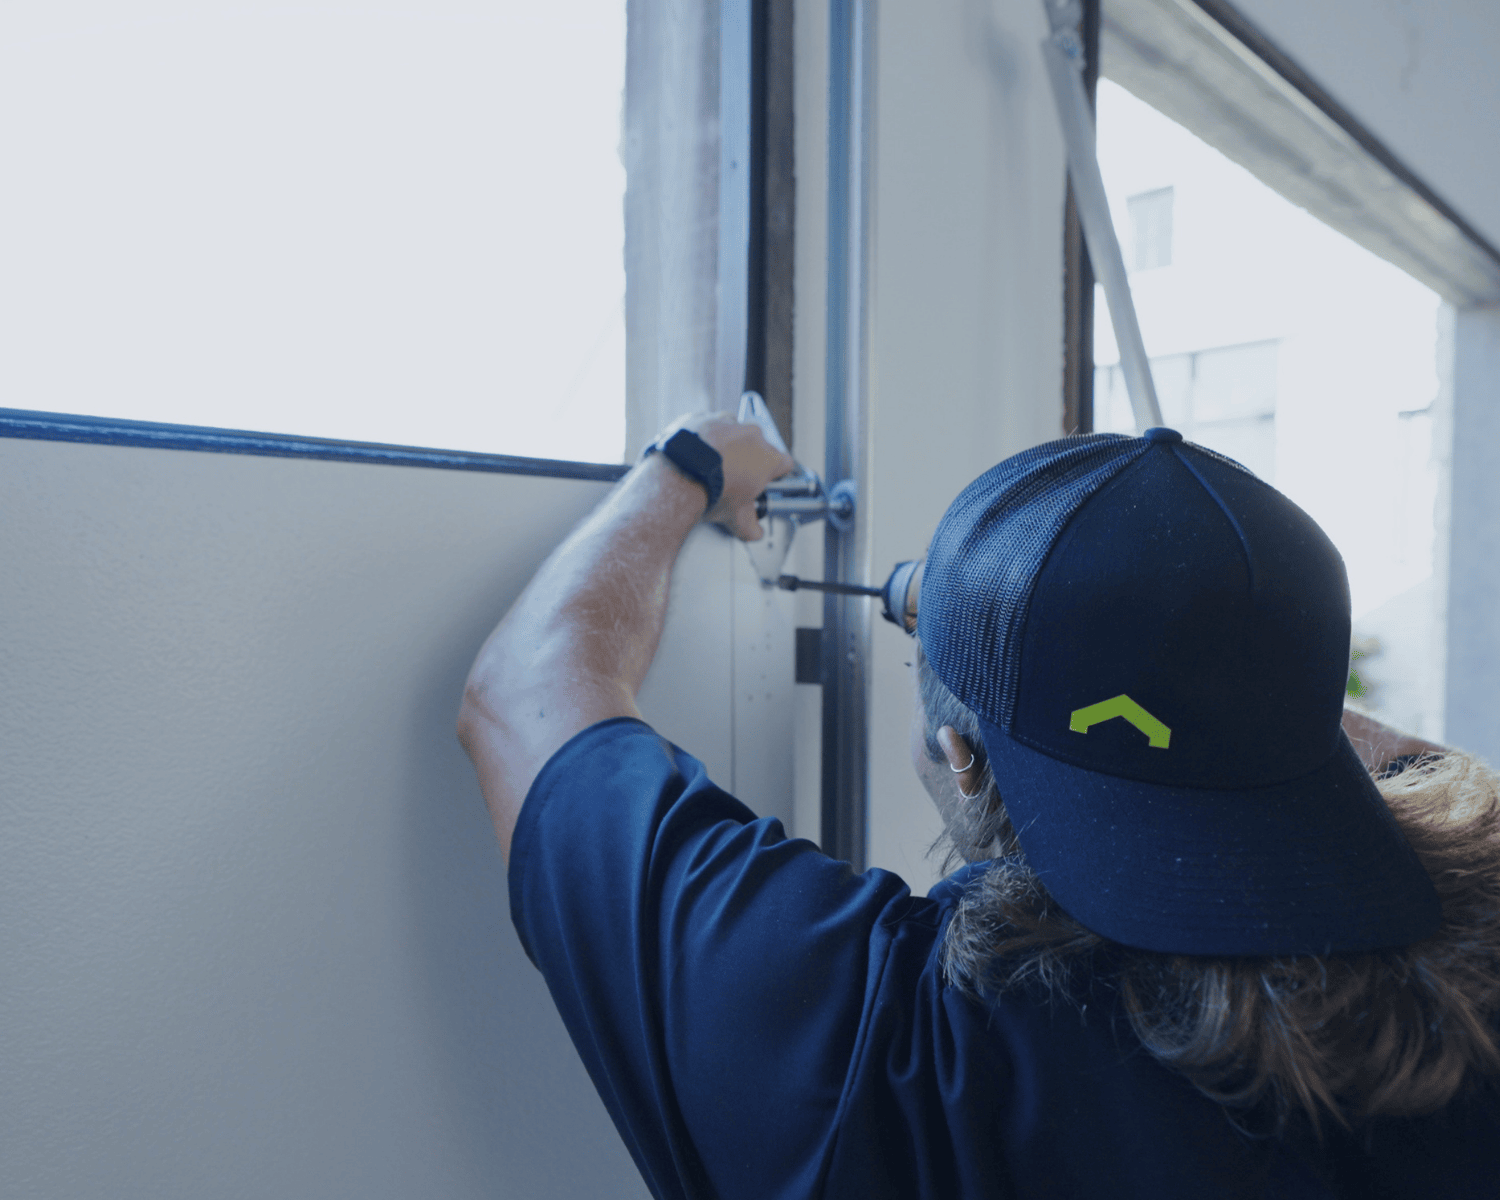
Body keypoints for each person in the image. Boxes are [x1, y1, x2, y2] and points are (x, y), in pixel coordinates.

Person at [457, 412, 1500, 1199]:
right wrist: (1231, 708)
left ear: (961, 758)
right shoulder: (1470, 985)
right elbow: (1424, 777)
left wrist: (690, 462)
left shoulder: (880, 1036)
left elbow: (524, 696)